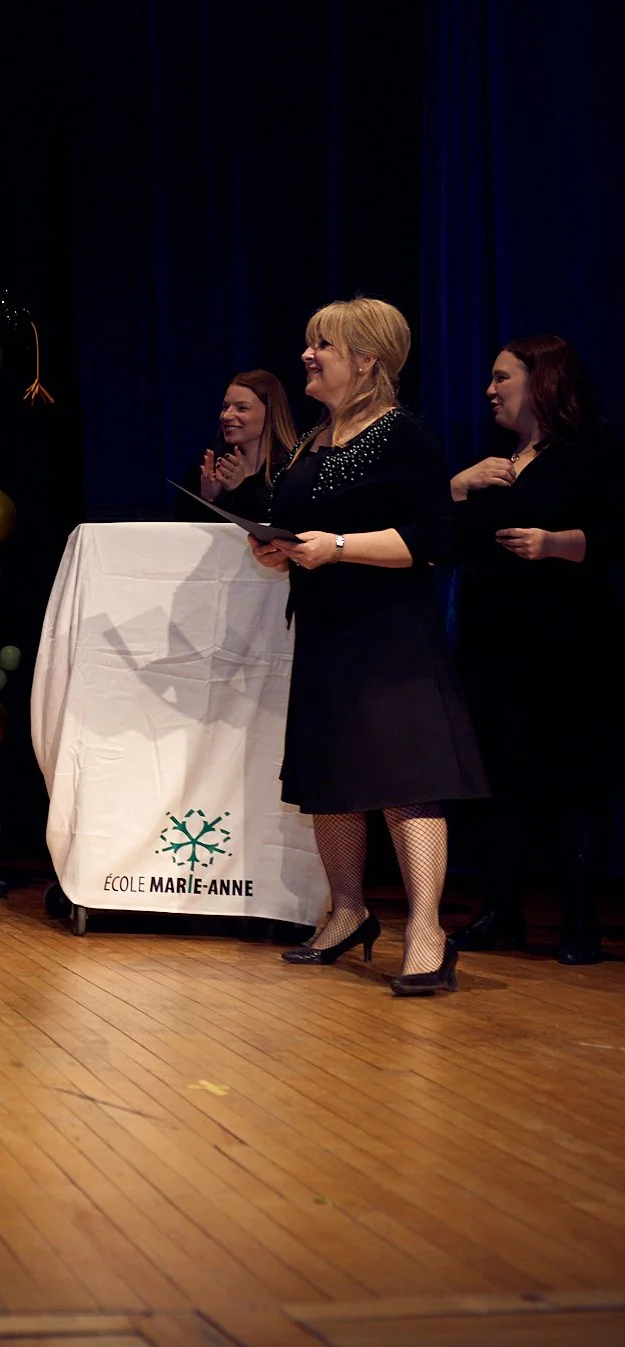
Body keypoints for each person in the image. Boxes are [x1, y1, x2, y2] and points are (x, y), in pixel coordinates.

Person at [253, 297, 489, 996]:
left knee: (404, 781)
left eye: (322, 344)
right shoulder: (311, 440)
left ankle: (425, 930)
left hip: (389, 634)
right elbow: (300, 527)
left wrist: (341, 547)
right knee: (333, 778)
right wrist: (276, 548)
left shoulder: (401, 435)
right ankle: (348, 910)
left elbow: (433, 538)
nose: (307, 355)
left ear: (367, 361)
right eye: (308, 342)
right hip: (327, 630)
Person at [446, 335, 620, 964]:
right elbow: (449, 543)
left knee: (574, 783)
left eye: (502, 378)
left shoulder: (593, 450)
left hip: (569, 645)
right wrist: (459, 487)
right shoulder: (493, 461)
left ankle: (580, 923)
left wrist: (555, 543)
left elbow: (613, 535)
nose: (490, 390)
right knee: (498, 782)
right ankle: (501, 912)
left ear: (542, 381)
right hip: (496, 646)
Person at [189, 369, 301, 521]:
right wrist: (208, 498)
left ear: (270, 414)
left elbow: (283, 525)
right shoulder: (211, 461)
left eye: (242, 408)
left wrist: (240, 490)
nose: (227, 416)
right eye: (225, 407)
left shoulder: (292, 468)